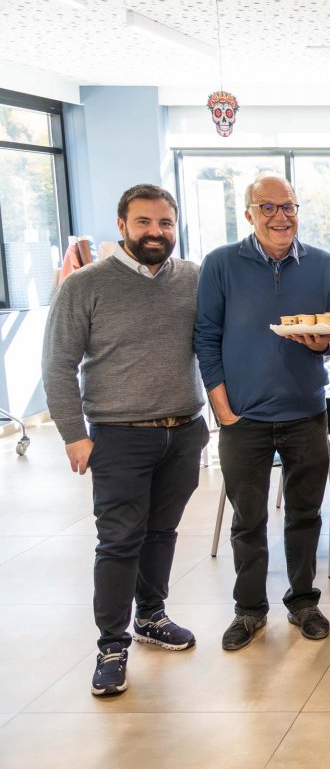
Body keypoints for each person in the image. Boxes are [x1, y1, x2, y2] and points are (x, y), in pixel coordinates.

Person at [42, 184, 209, 697]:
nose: (155, 232)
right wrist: (74, 434)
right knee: (119, 542)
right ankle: (111, 645)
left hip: (183, 431)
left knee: (162, 533)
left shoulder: (195, 279)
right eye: (143, 222)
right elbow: (58, 364)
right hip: (118, 436)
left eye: (164, 222)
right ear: (122, 227)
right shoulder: (85, 286)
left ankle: (151, 617)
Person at [194, 173, 330, 651]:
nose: (281, 216)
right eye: (268, 207)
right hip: (243, 418)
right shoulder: (220, 264)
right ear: (249, 214)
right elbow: (205, 338)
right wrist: (222, 408)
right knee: (248, 519)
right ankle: (249, 610)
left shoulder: (321, 264)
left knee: (305, 514)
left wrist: (325, 341)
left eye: (289, 206)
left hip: (305, 412)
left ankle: (303, 601)